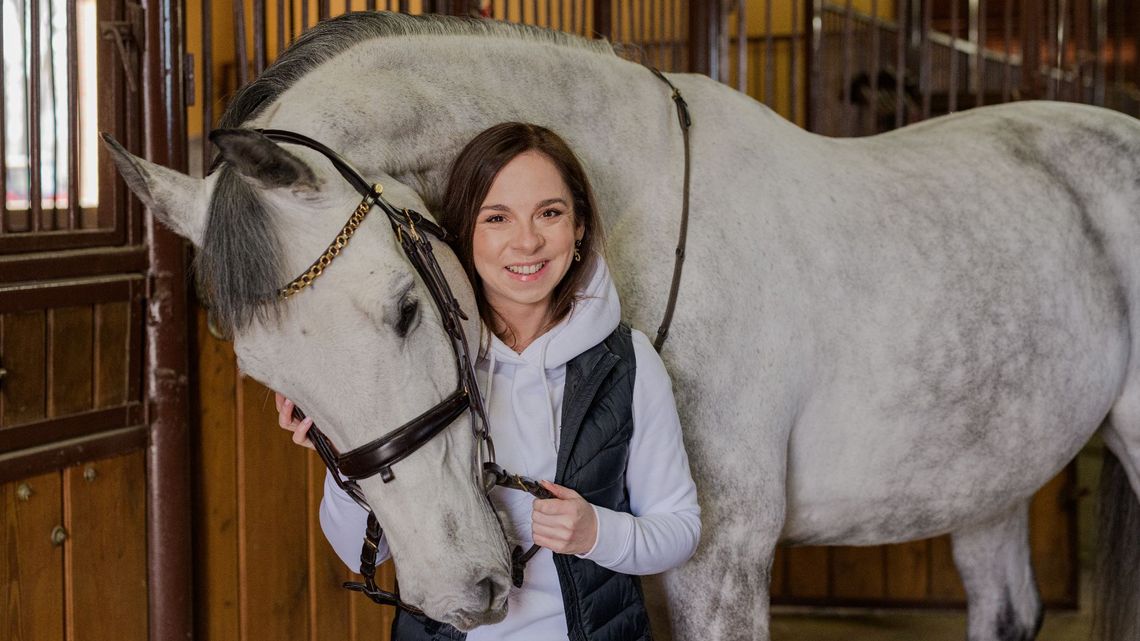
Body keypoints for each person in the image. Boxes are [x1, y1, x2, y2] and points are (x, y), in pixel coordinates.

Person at [276, 122, 700, 641]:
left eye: (550, 212)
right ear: (464, 232)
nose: (527, 241)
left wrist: (597, 532)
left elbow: (680, 529)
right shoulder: (417, 359)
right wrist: (345, 457)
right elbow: (361, 548)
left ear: (580, 226)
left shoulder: (628, 362)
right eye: (497, 218)